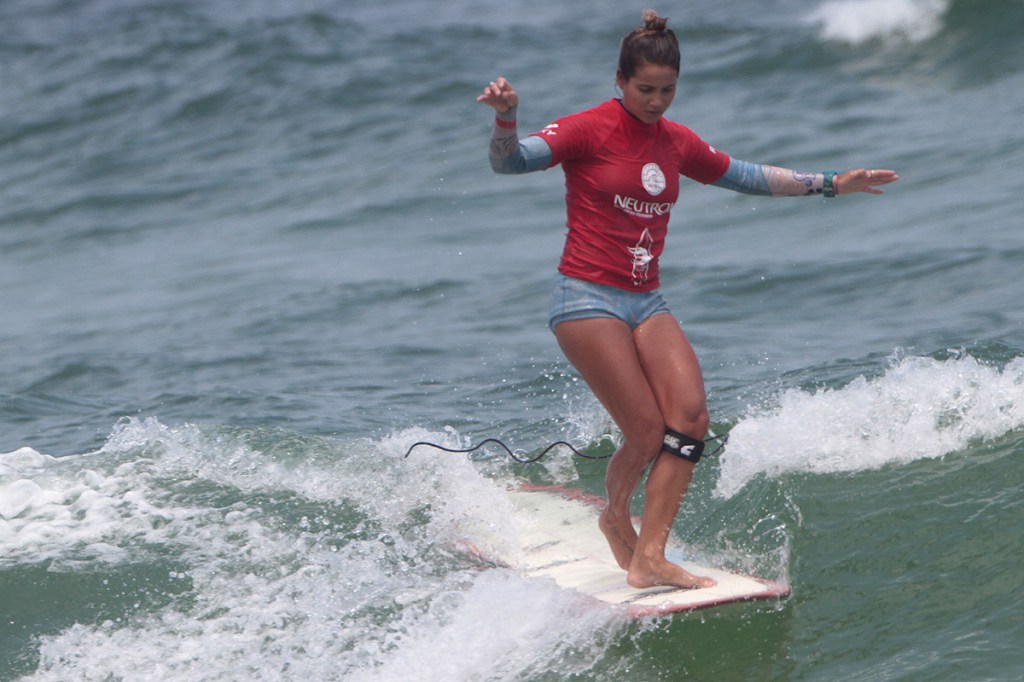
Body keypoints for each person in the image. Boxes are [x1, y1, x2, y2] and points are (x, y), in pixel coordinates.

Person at [476, 11, 898, 590]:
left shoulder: (675, 142)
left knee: (691, 421)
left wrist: (828, 183)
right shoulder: (587, 128)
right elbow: (510, 161)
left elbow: (743, 175)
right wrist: (506, 118)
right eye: (645, 89)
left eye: (667, 91)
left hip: (645, 299)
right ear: (619, 81)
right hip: (586, 298)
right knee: (646, 430)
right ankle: (614, 514)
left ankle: (650, 555)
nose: (655, 102)